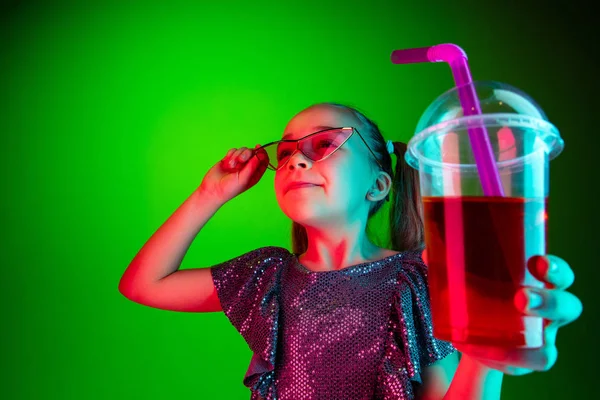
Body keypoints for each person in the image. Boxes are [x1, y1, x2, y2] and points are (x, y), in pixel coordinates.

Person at [119, 102, 582, 399]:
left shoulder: (417, 278)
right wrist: (210, 194)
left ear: (379, 184)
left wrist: (485, 358)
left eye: (325, 144)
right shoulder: (265, 276)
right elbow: (143, 284)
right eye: (287, 153)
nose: (297, 159)